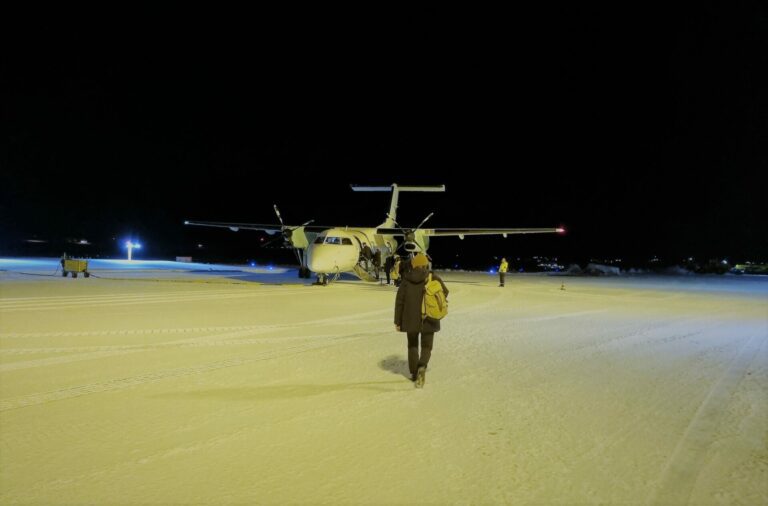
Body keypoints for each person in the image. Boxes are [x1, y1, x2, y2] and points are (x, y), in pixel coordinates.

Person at [394, 253, 449, 388]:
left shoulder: (406, 279)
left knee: (412, 345)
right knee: (427, 346)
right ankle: (422, 366)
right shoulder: (433, 277)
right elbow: (445, 292)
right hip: (429, 317)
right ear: (425, 265)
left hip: (410, 318)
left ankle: (414, 373)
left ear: (413, 265)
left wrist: (398, 321)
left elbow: (399, 302)